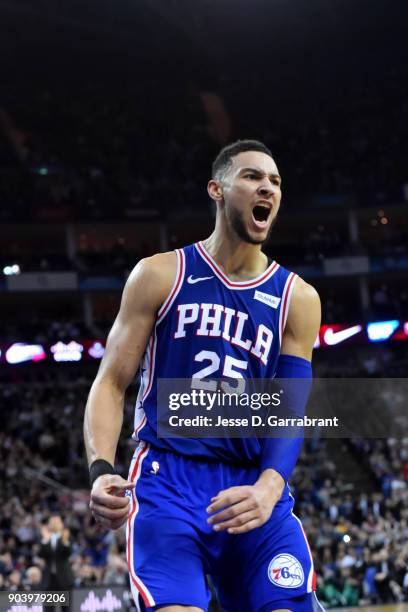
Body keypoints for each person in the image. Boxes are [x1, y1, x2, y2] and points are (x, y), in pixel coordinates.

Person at [84, 140, 323, 612]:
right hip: (168, 479)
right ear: (217, 188)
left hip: (253, 484)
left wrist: (270, 487)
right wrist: (100, 469)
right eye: (254, 177)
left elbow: (289, 408)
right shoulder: (159, 274)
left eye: (275, 181)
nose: (268, 188)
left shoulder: (299, 298)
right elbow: (111, 382)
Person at [39, 515, 74, 591]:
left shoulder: (67, 535)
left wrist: (65, 542)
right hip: (48, 578)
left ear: (62, 524)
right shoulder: (45, 537)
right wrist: (45, 541)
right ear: (48, 525)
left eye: (57, 522)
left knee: (65, 602)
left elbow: (68, 553)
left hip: (64, 577)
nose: (55, 524)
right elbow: (41, 555)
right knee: (49, 602)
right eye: (52, 522)